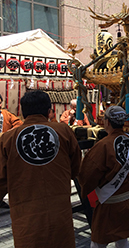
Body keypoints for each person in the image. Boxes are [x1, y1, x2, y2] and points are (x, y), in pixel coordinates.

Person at [0, 90, 81, 248]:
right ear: (49, 111)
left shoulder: (7, 139)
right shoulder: (64, 131)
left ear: (23, 111)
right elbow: (76, 167)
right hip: (60, 213)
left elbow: (1, 180)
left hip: (27, 217)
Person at [78, 105, 129, 248]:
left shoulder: (103, 145)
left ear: (107, 122)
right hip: (128, 199)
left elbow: (88, 173)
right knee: (122, 238)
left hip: (109, 204)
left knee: (99, 241)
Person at [0, 94, 23, 208]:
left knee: (5, 175)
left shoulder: (6, 114)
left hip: (3, 145)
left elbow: (18, 123)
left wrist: (8, 134)